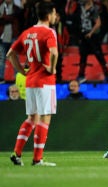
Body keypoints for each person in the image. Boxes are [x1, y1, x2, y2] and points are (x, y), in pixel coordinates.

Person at [7, 1, 58, 166]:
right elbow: (54, 53)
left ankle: (17, 153)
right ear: (49, 15)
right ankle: (37, 159)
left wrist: (22, 71)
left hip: (30, 81)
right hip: (45, 81)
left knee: (32, 118)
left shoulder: (27, 32)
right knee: (45, 118)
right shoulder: (49, 32)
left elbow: (10, 54)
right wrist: (52, 68)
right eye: (54, 13)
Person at [75, 0, 108, 83]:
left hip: (93, 36)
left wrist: (91, 33)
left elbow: (98, 23)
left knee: (99, 55)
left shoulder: (94, 9)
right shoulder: (80, 6)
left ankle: (107, 75)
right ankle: (81, 75)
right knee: (83, 56)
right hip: (84, 35)